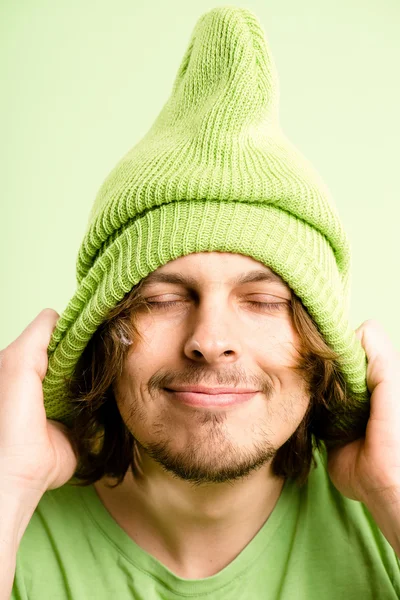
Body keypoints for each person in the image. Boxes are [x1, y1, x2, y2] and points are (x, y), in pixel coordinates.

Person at [2, 6, 400, 599]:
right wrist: (8, 484)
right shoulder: (16, 520)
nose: (211, 339)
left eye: (264, 300)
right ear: (97, 332)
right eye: (161, 298)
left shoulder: (384, 522)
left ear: (324, 343)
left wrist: (393, 494)